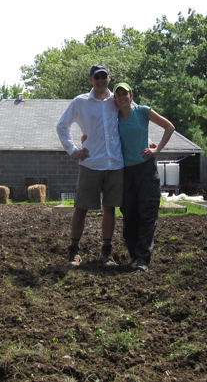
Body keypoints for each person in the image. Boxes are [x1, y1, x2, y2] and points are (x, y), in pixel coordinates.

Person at [56, 64, 124, 268]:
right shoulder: (81, 102)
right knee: (81, 208)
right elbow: (62, 126)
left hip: (115, 163)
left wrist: (147, 142)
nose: (101, 80)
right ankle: (74, 253)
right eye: (97, 77)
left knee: (110, 209)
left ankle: (106, 253)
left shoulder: (117, 101)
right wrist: (73, 150)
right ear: (90, 80)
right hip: (91, 163)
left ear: (109, 78)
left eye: (104, 77)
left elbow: (132, 120)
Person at [113, 82, 175, 271]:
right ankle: (133, 254)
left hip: (146, 170)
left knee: (147, 214)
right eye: (119, 94)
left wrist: (157, 149)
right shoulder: (114, 117)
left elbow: (169, 127)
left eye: (126, 93)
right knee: (129, 215)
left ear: (131, 95)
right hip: (126, 172)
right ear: (115, 98)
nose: (123, 97)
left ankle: (143, 259)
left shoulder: (142, 111)